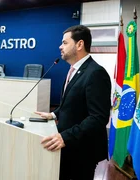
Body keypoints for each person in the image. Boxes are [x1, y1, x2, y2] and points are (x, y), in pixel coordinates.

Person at [35, 25, 111, 180]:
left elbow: (98, 118)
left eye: (64, 42)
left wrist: (65, 137)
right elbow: (72, 103)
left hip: (82, 150)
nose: (60, 46)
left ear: (79, 44)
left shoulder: (96, 73)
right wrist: (53, 114)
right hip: (69, 146)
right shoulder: (74, 70)